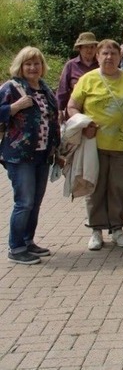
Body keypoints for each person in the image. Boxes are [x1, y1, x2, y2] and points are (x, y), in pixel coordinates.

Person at [68, 40, 123, 251]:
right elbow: (72, 107)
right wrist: (84, 124)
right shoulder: (88, 79)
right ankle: (96, 230)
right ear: (98, 56)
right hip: (94, 145)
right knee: (95, 187)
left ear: (120, 56)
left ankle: (117, 228)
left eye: (113, 53)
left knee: (120, 188)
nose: (109, 57)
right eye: (105, 53)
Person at [0, 47, 61, 264]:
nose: (33, 68)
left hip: (42, 154)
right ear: (20, 66)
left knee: (35, 202)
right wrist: (14, 107)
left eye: (36, 64)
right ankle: (15, 248)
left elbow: (53, 120)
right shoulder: (12, 88)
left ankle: (27, 241)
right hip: (19, 155)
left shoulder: (44, 88)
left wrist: (57, 148)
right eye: (28, 64)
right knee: (23, 202)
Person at [56, 32, 99, 123]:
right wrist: (59, 110)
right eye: (86, 47)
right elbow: (63, 89)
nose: (89, 50)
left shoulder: (100, 65)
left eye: (92, 47)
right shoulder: (71, 65)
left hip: (98, 112)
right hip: (75, 111)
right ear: (80, 48)